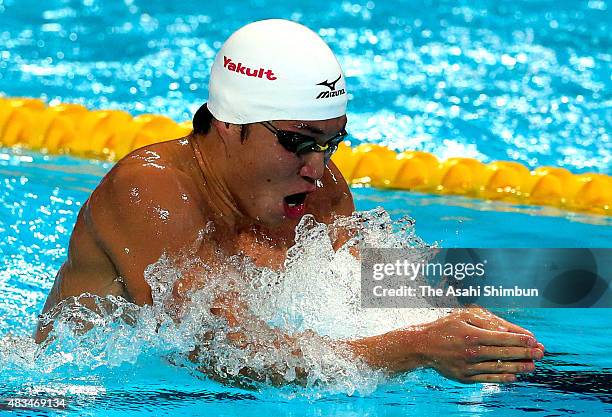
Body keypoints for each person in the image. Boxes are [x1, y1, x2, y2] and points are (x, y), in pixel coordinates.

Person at [34, 19, 544, 384]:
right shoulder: (150, 192)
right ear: (232, 123)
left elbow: (362, 285)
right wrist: (415, 347)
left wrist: (463, 320)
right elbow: (220, 353)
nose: (317, 168)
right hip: (78, 393)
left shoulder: (316, 191)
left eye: (330, 143)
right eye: (298, 141)